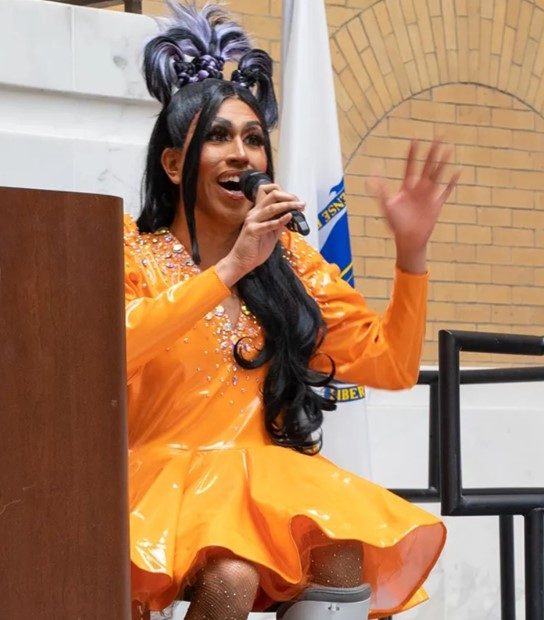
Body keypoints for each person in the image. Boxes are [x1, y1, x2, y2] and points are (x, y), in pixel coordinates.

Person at [126, 3, 458, 619]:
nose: (242, 154)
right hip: (151, 484)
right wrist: (229, 267)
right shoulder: (128, 249)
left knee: (339, 548)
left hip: (263, 485)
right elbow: (112, 346)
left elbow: (391, 367)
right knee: (229, 576)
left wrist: (412, 259)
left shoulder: (293, 264)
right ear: (174, 165)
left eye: (254, 139)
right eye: (218, 136)